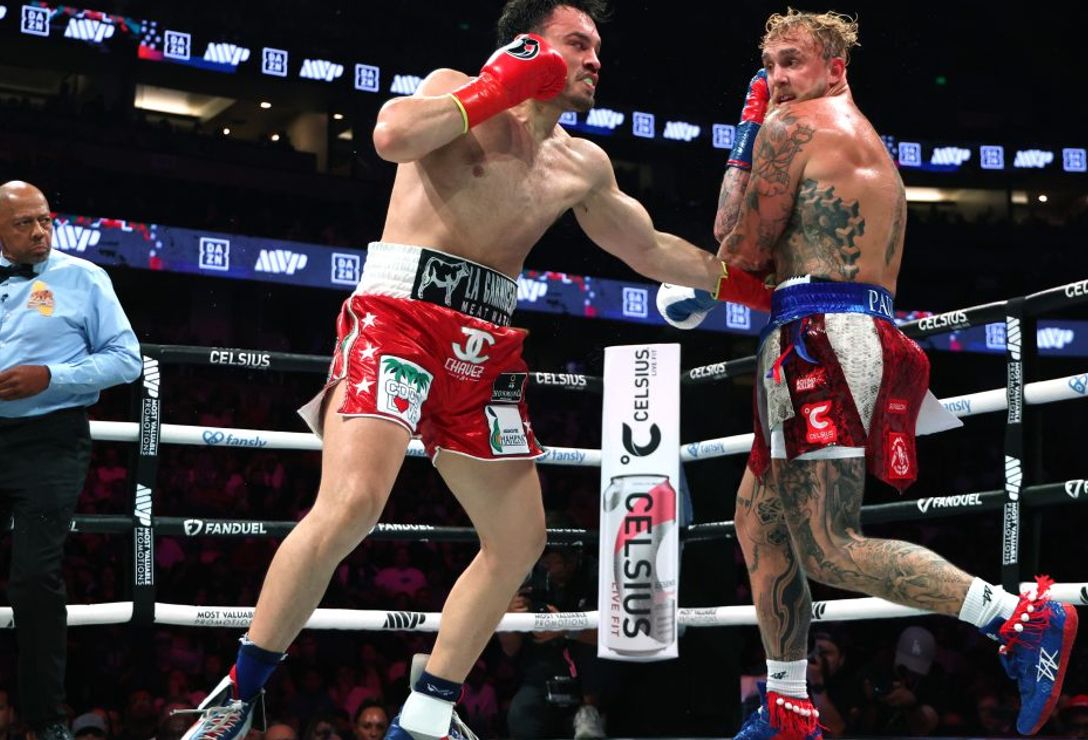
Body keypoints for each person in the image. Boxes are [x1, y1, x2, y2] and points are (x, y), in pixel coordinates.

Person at [179, 3, 774, 740]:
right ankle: (238, 695)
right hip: (399, 320)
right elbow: (391, 135)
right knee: (354, 504)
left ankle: (427, 713)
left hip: (485, 348)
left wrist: (756, 290)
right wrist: (497, 85)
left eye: (598, 48)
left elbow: (650, 250)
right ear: (531, 45)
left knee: (518, 541)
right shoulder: (456, 89)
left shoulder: (581, 163)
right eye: (577, 44)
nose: (595, 61)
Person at [658, 10, 1077, 739]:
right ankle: (787, 704)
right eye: (770, 66)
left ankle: (1018, 617)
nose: (778, 78)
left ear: (834, 67)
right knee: (758, 522)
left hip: (819, 337)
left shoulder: (794, 127)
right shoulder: (851, 130)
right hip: (832, 332)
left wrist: (745, 135)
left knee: (829, 545)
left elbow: (737, 245)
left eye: (792, 61)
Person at [0, 180, 141, 740]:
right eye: (24, 223)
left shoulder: (86, 278)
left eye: (45, 220)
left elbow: (127, 359)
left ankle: (47, 722)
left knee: (35, 581)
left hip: (53, 441)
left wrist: (51, 377)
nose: (41, 231)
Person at [497, 540, 604, 739]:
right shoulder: (529, 579)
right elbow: (510, 649)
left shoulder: (596, 578)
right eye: (542, 562)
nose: (545, 568)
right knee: (521, 715)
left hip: (591, 682)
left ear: (571, 561)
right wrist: (507, 617)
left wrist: (565, 628)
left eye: (551, 563)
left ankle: (590, 710)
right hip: (541, 676)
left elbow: (613, 635)